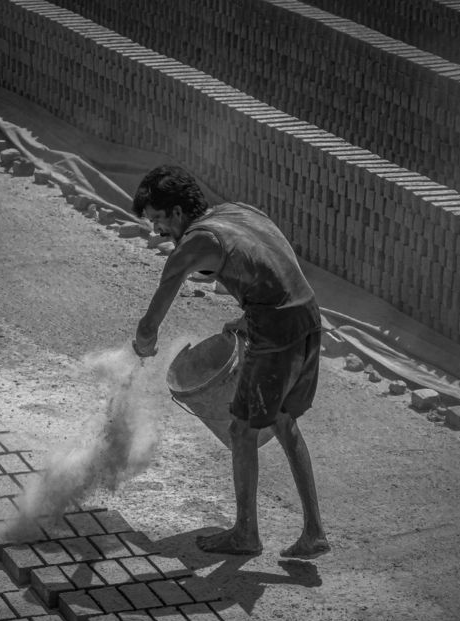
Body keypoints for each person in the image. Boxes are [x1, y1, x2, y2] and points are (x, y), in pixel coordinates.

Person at [131, 164, 330, 559]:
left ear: (175, 212)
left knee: (242, 430)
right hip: (307, 316)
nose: (156, 231)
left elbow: (152, 321)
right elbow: (277, 266)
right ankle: (314, 532)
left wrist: (142, 346)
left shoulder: (193, 244)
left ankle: (246, 534)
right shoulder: (240, 211)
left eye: (157, 220)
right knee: (285, 423)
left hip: (275, 331)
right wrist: (249, 316)